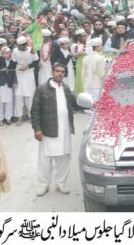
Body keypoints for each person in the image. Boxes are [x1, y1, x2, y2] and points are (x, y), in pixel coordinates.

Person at [31, 63, 78, 196]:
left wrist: (92, 103)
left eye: (62, 71)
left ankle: (61, 183)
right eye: (57, 71)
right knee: (45, 160)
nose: (60, 73)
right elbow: (35, 110)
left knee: (64, 158)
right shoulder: (42, 89)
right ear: (52, 72)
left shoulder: (66, 88)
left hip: (64, 131)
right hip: (48, 131)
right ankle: (43, 185)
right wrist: (37, 129)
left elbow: (76, 103)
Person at [12, 36, 39, 125]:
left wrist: (27, 66)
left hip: (29, 75)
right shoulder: (15, 51)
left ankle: (32, 116)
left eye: (21, 46)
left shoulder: (31, 49)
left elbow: (36, 62)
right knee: (19, 97)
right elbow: (13, 64)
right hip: (19, 74)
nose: (19, 47)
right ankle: (20, 117)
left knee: (30, 96)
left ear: (25, 45)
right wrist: (14, 80)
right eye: (18, 45)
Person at [0, 47, 16, 125]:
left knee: (9, 101)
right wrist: (4, 68)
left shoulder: (12, 62)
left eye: (8, 53)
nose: (6, 55)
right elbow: (0, 65)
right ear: (2, 53)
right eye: (5, 53)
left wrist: (14, 82)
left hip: (8, 84)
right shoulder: (0, 60)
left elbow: (13, 71)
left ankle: (8, 118)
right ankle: (0, 119)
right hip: (0, 83)